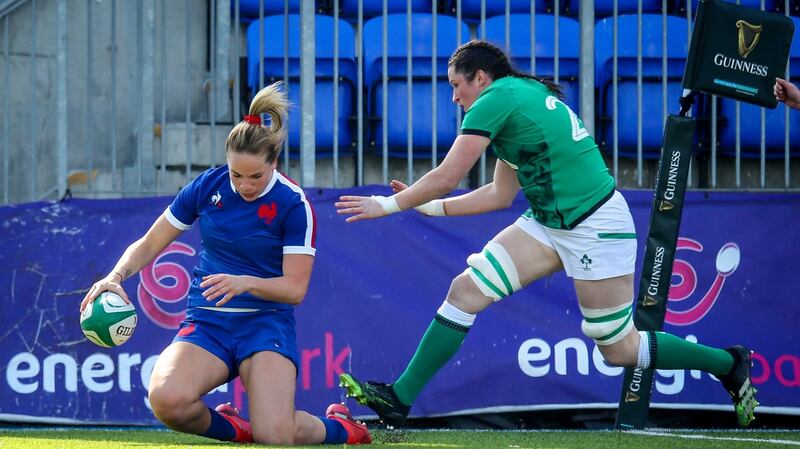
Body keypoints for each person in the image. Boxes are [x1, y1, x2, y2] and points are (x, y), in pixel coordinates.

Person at [335, 40, 758, 428]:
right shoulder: (517, 97)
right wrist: (428, 206)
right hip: (549, 223)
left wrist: (388, 206)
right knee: (465, 290)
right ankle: (399, 398)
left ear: (480, 77)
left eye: (456, 85)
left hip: (594, 225)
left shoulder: (497, 99)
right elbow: (501, 195)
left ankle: (728, 363)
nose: (454, 96)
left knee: (618, 348)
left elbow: (448, 175)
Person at [80, 82, 372, 445]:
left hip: (264, 325)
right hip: (208, 322)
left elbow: (295, 289)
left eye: (255, 176)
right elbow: (152, 241)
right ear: (227, 163)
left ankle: (342, 428)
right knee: (167, 400)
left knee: (275, 436)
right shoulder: (207, 186)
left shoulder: (294, 204)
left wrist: (244, 282)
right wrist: (115, 276)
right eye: (237, 175)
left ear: (274, 164)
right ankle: (233, 427)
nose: (245, 185)